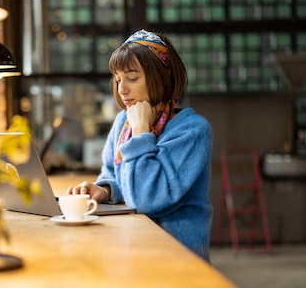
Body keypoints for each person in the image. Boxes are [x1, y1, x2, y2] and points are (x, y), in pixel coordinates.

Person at [67, 30, 213, 263]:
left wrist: (141, 132)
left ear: (161, 78)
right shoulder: (123, 122)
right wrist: (104, 190)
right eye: (117, 79)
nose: (122, 89)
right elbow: (115, 175)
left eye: (132, 78)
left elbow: (147, 200)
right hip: (133, 246)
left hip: (178, 259)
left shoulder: (192, 130)